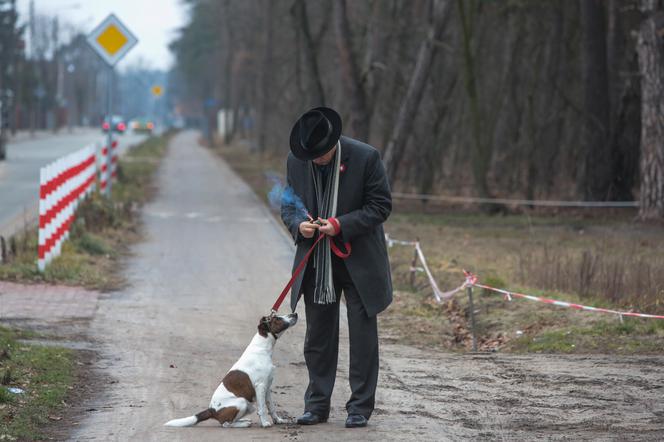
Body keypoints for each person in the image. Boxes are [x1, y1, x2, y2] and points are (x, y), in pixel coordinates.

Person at [280, 107, 392, 428]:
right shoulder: (295, 160)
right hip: (317, 261)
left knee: (362, 337)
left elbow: (380, 206)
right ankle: (316, 405)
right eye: (310, 155)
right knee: (318, 336)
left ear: (334, 142)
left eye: (321, 154)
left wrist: (340, 224)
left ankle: (359, 407)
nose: (315, 160)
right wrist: (299, 224)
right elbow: (288, 205)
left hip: (359, 261)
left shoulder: (366, 157)